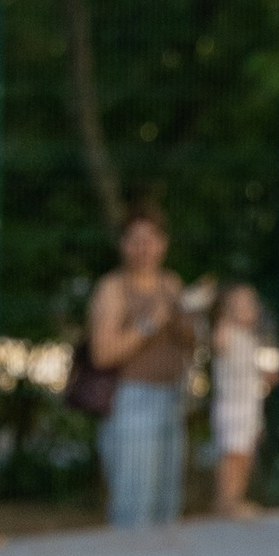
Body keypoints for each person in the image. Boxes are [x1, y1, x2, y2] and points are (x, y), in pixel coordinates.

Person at [88, 213, 199, 530]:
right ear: (123, 245)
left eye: (150, 240)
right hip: (132, 401)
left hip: (173, 399)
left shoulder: (171, 283)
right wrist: (150, 323)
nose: (144, 249)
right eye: (136, 241)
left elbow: (188, 342)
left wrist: (186, 321)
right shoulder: (113, 288)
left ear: (163, 245)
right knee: (133, 506)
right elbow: (103, 354)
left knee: (167, 504)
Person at [211, 280, 270, 516]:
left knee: (245, 456)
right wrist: (223, 316)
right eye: (238, 304)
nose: (246, 308)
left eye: (250, 303)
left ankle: (237, 499)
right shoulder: (226, 334)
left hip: (250, 408)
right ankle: (225, 501)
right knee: (232, 456)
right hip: (231, 409)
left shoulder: (250, 338)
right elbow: (218, 342)